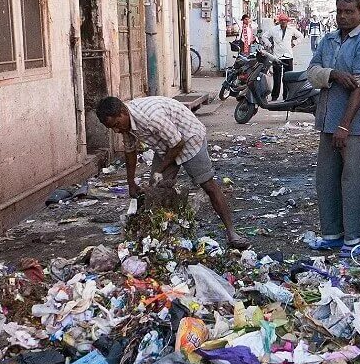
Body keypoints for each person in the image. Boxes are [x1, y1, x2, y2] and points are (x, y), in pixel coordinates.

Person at [95, 96, 250, 250]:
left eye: (116, 124)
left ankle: (232, 233)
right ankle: (160, 237)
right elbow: (130, 152)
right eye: (112, 128)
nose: (116, 130)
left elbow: (178, 143)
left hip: (189, 139)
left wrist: (160, 170)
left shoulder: (151, 118)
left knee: (208, 185)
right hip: (165, 146)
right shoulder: (125, 124)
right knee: (155, 191)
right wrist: (131, 182)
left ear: (123, 112)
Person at [306, 0, 360, 250]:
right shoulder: (327, 40)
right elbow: (312, 72)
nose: (344, 16)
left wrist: (344, 125)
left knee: (353, 181)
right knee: (326, 179)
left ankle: (354, 238)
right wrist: (333, 74)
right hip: (328, 121)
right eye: (340, 11)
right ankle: (331, 235)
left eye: (349, 12)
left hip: (353, 127)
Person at [264, 13, 303, 101]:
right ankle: (275, 96)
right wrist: (269, 45)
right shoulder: (274, 29)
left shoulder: (291, 29)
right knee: (276, 77)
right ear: (279, 21)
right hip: (277, 56)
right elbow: (264, 36)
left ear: (287, 21)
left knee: (287, 77)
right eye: (282, 20)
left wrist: (294, 43)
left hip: (288, 56)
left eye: (285, 20)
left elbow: (300, 36)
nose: (283, 22)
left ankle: (287, 95)